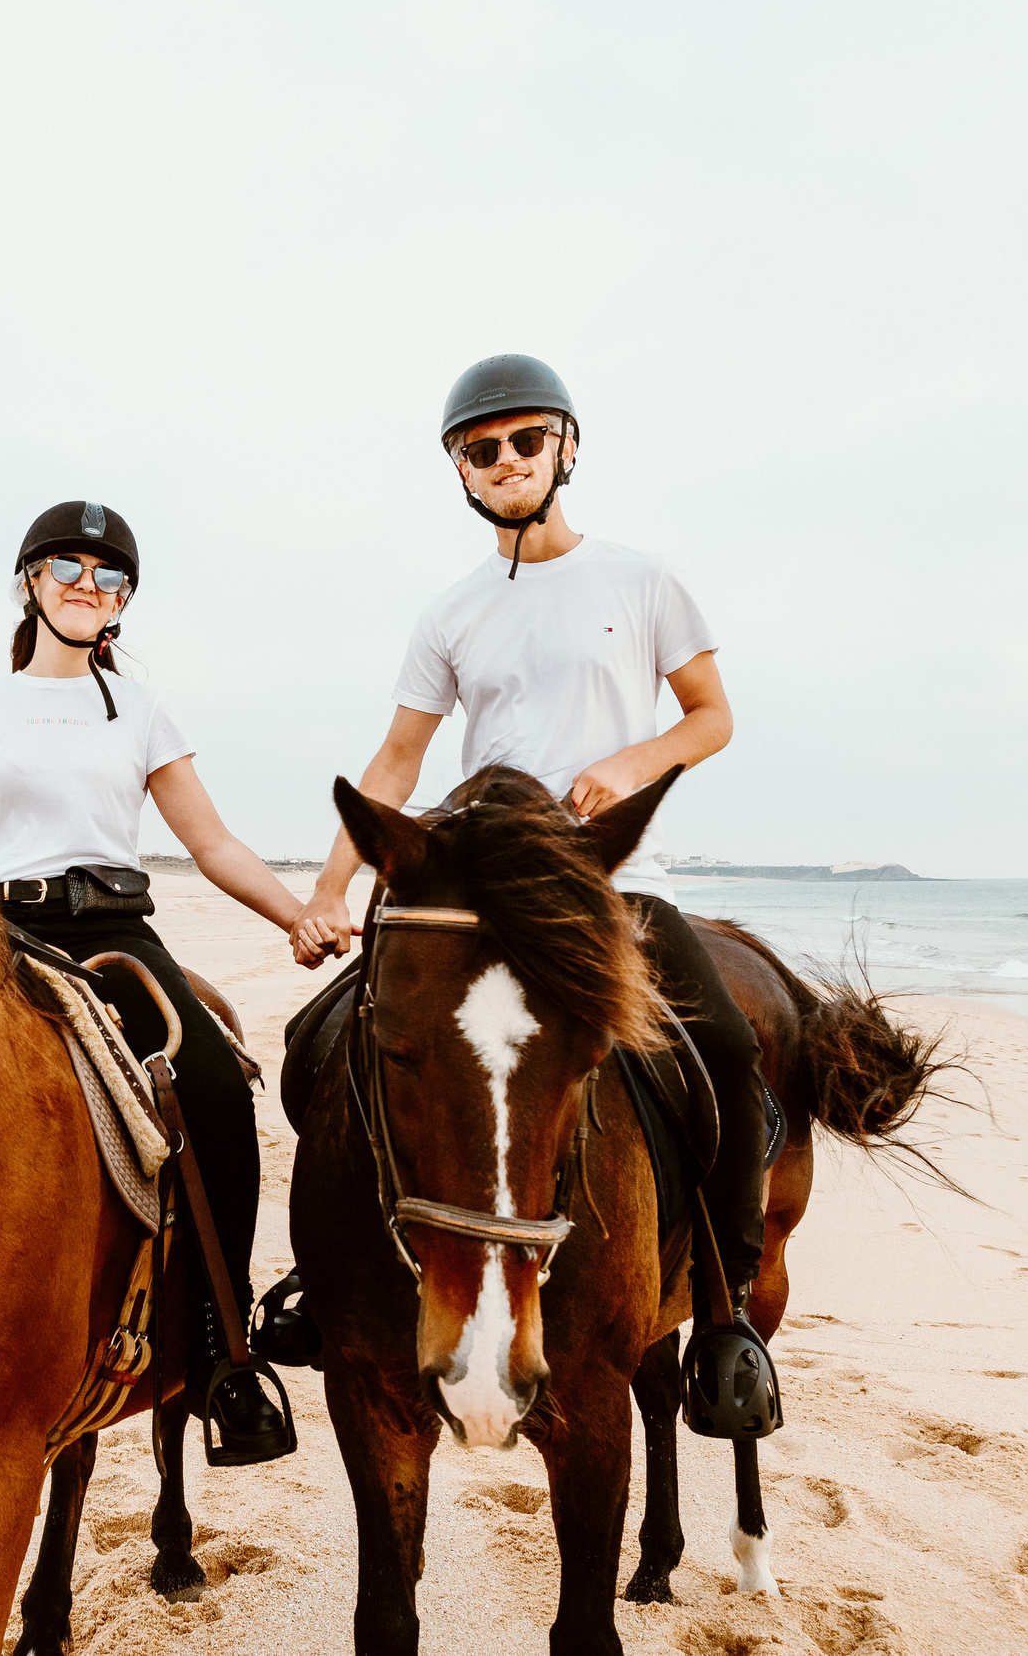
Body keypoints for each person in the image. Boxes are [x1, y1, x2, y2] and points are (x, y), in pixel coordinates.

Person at [288, 354, 775, 1399]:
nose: (503, 460)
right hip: (476, 886)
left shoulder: (643, 580)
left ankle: (728, 1309)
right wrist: (330, 889)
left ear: (564, 447)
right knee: (317, 1045)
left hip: (603, 884)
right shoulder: (450, 611)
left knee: (726, 1050)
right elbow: (396, 762)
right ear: (461, 472)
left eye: (522, 440)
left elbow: (711, 716)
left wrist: (630, 765)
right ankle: (320, 1276)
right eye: (481, 448)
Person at [0, 498, 304, 1466]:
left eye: (109, 578)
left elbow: (208, 842)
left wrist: (297, 914)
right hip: (1, 929)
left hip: (117, 931)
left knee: (216, 1089)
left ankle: (226, 1356)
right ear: (29, 584)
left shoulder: (140, 709)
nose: (89, 588)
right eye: (69, 570)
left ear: (122, 602)